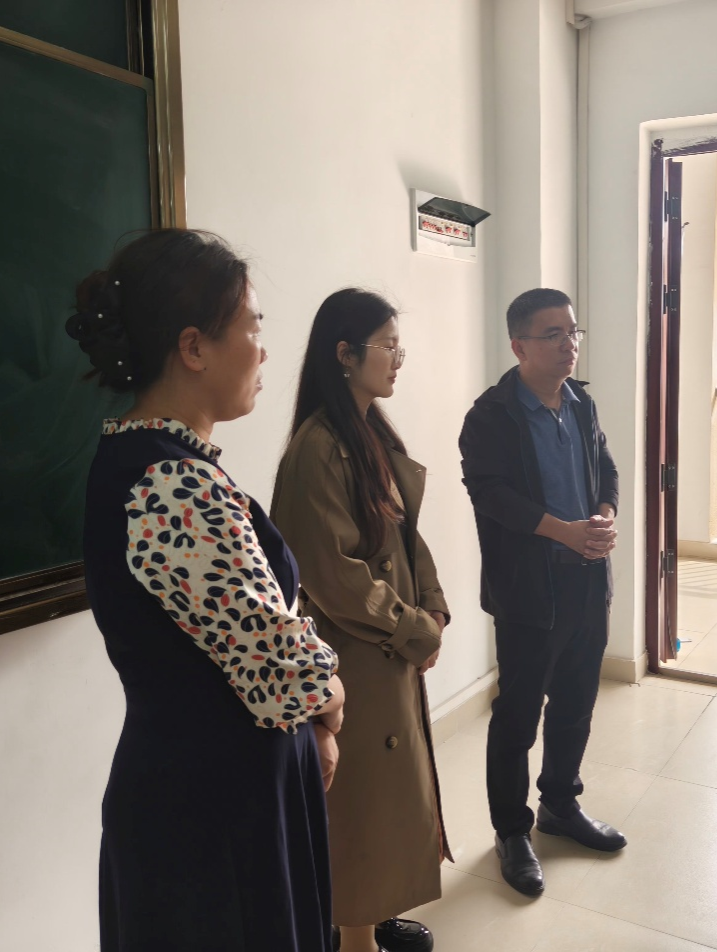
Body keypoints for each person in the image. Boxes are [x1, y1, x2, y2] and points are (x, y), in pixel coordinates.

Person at [68, 228, 345, 952]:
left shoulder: (155, 462)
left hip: (207, 791)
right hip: (213, 812)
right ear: (193, 348)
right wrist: (331, 700)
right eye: (253, 327)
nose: (263, 350)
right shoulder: (171, 484)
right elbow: (283, 673)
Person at [272, 289, 449, 952]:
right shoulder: (318, 447)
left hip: (387, 649)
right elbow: (333, 574)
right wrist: (413, 629)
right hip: (356, 654)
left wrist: (433, 608)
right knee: (361, 804)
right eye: (387, 346)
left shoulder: (369, 432)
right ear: (345, 354)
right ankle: (354, 936)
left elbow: (406, 537)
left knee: (387, 796)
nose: (398, 358)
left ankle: (368, 916)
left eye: (400, 346)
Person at [459, 287, 624, 898]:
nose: (568, 344)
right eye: (552, 334)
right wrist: (565, 531)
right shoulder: (491, 416)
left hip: (588, 580)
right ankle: (511, 830)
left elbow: (606, 469)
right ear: (519, 346)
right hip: (530, 591)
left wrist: (603, 516)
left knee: (577, 702)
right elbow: (492, 496)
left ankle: (559, 804)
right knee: (518, 715)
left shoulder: (581, 403)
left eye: (572, 331)